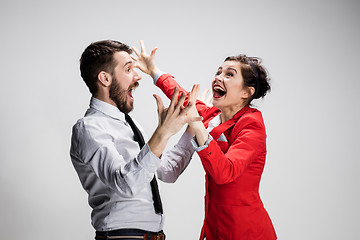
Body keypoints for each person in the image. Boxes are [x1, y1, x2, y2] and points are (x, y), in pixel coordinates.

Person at [133, 41, 277, 240]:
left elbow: (224, 173)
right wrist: (153, 70)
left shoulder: (252, 125)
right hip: (215, 227)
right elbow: (182, 96)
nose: (219, 77)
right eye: (219, 72)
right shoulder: (212, 115)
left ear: (246, 92)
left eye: (229, 74)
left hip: (247, 232)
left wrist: (198, 125)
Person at [70, 40, 201, 240]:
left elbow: (166, 171)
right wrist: (163, 132)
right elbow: (126, 185)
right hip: (121, 236)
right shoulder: (90, 128)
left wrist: (193, 126)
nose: (138, 75)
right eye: (128, 69)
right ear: (105, 78)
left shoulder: (129, 124)